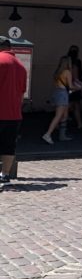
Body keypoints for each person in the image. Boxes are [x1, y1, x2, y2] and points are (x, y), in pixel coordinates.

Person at [0, 38, 27, 185]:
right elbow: (22, 93)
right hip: (14, 114)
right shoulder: (21, 66)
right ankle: (5, 175)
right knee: (9, 145)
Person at [42, 55, 75, 144]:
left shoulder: (58, 71)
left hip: (57, 92)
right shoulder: (67, 72)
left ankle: (62, 135)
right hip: (63, 94)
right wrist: (79, 87)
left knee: (64, 115)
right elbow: (71, 86)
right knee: (59, 116)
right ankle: (48, 134)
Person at [67, 44, 82, 129]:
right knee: (75, 105)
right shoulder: (77, 62)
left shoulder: (66, 61)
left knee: (69, 105)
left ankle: (61, 121)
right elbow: (76, 76)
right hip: (74, 86)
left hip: (67, 85)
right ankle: (79, 123)